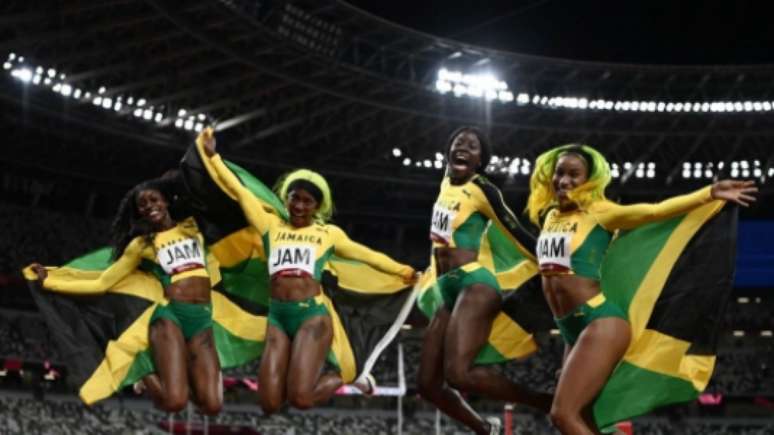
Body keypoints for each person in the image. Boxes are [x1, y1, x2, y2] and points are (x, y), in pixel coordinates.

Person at [526, 144, 757, 434]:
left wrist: (708, 193)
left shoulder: (599, 212)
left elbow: (653, 212)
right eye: (560, 173)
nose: (564, 181)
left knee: (562, 415)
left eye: (574, 175)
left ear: (590, 181)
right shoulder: (550, 217)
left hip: (601, 322)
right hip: (572, 330)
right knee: (585, 418)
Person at [198, 128, 416, 414]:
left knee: (301, 400)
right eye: (294, 198)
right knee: (269, 404)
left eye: (307, 201)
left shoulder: (329, 234)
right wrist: (212, 157)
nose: (299, 206)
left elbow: (368, 256)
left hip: (311, 316)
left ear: (318, 205)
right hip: (278, 318)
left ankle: (352, 377)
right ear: (286, 197)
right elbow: (240, 192)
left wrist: (405, 271)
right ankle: (342, 377)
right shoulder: (270, 227)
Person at [29, 178, 222, 415]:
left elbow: (209, 195)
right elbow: (102, 282)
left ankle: (175, 373)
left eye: (153, 199)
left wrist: (206, 156)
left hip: (202, 320)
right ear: (138, 213)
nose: (149, 205)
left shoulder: (191, 227)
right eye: (142, 204)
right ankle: (140, 365)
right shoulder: (141, 245)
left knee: (211, 406)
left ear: (166, 201)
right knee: (174, 403)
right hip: (171, 317)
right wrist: (50, 281)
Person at [418, 126, 552, 435]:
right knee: (427, 384)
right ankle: (485, 429)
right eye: (458, 142)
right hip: (445, 291)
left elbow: (516, 232)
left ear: (481, 161)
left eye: (473, 146)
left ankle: (545, 401)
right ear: (448, 151)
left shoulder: (482, 190)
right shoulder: (445, 182)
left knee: (459, 375)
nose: (463, 146)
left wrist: (552, 263)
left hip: (474, 285)